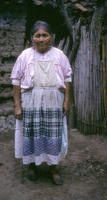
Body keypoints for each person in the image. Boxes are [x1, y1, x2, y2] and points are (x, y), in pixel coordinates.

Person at [11, 20, 72, 185]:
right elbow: (16, 81)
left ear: (51, 37)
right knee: (31, 133)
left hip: (54, 101)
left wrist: (66, 101)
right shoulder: (25, 56)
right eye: (37, 35)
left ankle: (53, 168)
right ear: (32, 38)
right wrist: (18, 105)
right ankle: (31, 165)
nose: (41, 39)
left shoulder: (59, 55)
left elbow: (67, 78)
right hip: (31, 102)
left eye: (45, 35)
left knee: (54, 135)